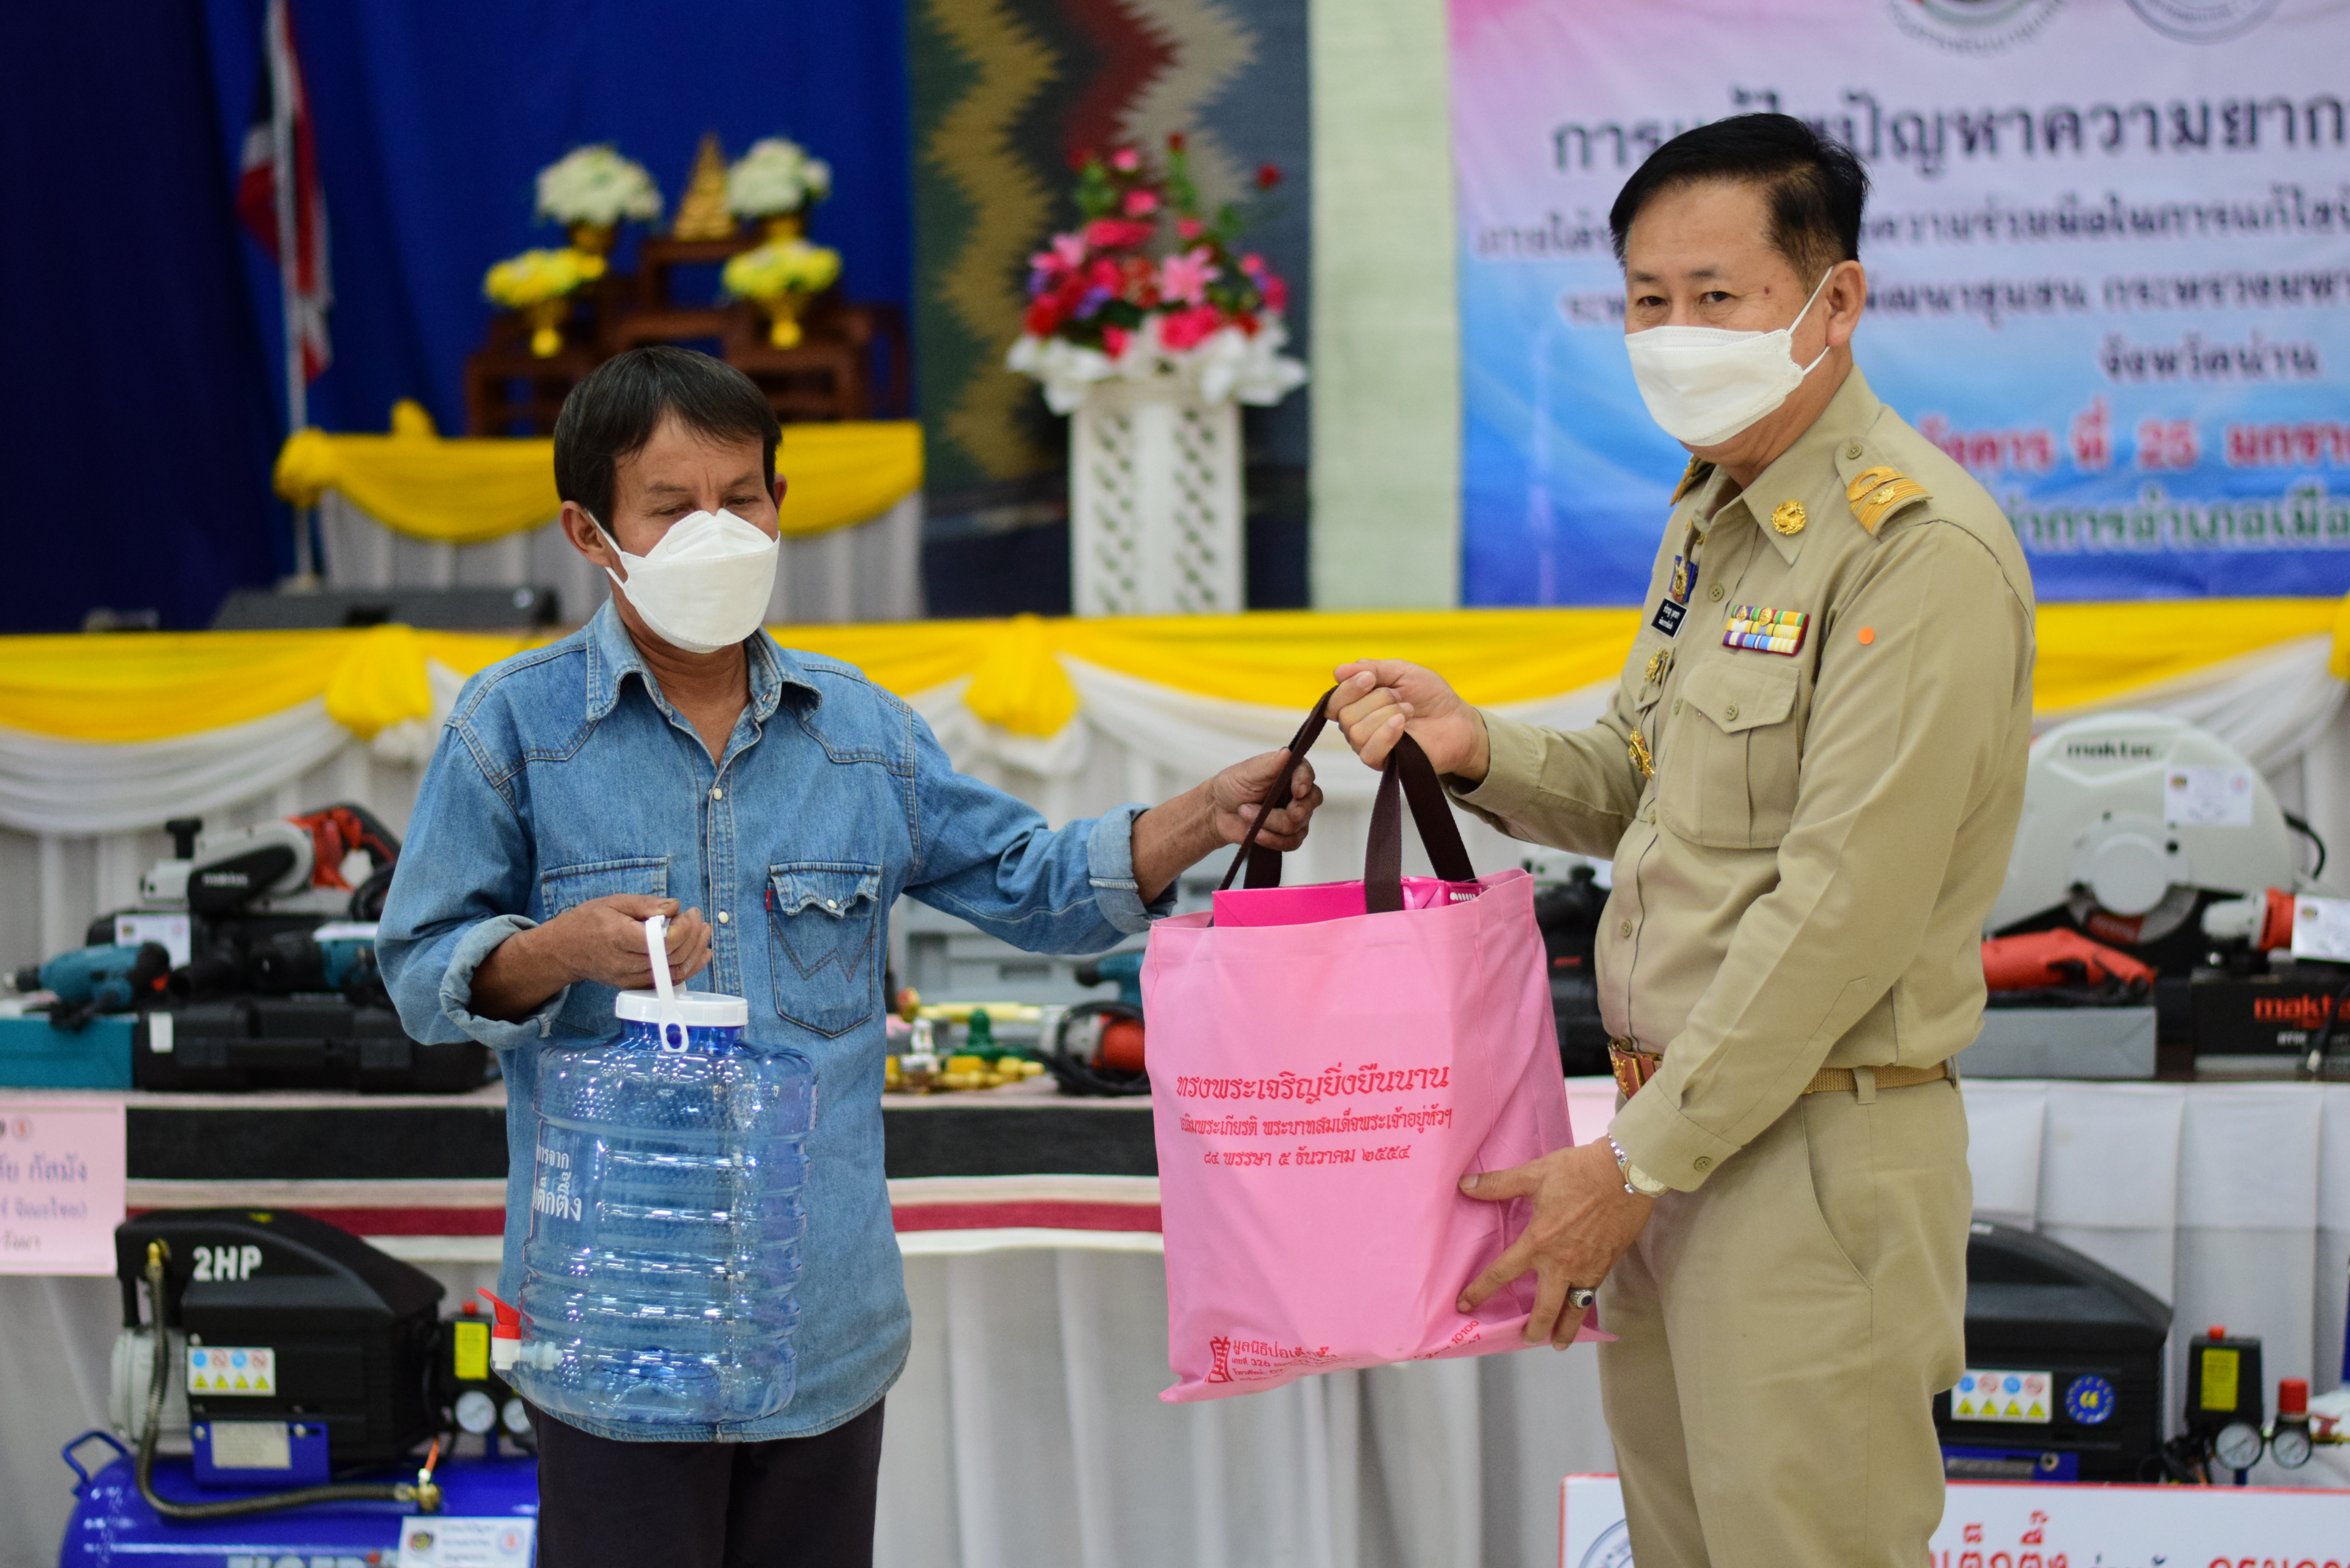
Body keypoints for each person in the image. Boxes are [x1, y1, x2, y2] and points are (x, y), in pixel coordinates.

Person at [376, 345, 1322, 1568]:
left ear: (780, 506)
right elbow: (420, 975)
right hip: (616, 1340)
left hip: (820, 1333)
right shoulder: (514, 728)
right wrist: (551, 950)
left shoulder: (861, 734)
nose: (717, 532)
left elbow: (1031, 883)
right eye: (671, 508)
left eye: (744, 499)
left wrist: (1205, 813)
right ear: (589, 530)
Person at [1328, 116, 2034, 1567]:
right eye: (1648, 299)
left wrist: (1631, 1166)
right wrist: (1479, 754)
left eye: (1720, 296)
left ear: (1833, 303)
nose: (1674, 331)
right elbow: (1650, 780)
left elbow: (1841, 907)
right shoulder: (1719, 517)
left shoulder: (1915, 550)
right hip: (1675, 1147)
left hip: (1802, 1156)